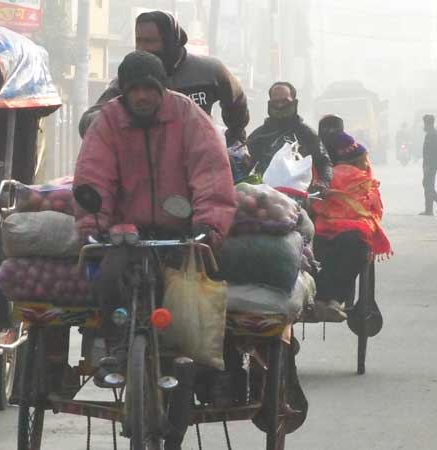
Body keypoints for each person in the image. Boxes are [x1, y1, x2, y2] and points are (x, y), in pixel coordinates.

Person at [73, 51, 236, 386]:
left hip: (181, 231)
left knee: (191, 293)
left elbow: (210, 173)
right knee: (108, 279)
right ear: (124, 93)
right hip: (125, 233)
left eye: (149, 88)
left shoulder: (188, 116)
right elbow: (94, 175)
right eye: (134, 89)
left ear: (162, 88)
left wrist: (208, 224)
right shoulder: (108, 121)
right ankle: (116, 349)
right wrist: (93, 224)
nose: (142, 96)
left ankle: (191, 358)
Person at [78, 11, 249, 146]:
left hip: (200, 159)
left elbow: (237, 101)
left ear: (170, 41)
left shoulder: (209, 70)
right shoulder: (129, 80)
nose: (143, 48)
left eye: (151, 41)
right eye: (139, 41)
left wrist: (234, 138)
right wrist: (115, 117)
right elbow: (88, 122)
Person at [310, 132, 392, 321]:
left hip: (318, 233)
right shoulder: (363, 180)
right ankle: (331, 299)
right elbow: (374, 210)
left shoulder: (317, 171)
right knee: (360, 247)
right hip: (347, 237)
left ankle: (320, 296)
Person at [246, 82, 334, 190]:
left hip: (298, 195)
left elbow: (324, 162)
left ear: (294, 102)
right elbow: (244, 164)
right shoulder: (258, 135)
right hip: (264, 196)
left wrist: (323, 182)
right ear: (270, 103)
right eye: (276, 102)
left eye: (284, 101)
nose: (280, 106)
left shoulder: (306, 133)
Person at [420, 114, 437, 215]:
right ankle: (429, 209)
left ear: (428, 123)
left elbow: (432, 152)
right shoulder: (434, 133)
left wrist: (428, 165)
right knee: (428, 185)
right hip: (431, 164)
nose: (424, 126)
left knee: (428, 185)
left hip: (430, 165)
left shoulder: (432, 134)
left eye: (425, 123)